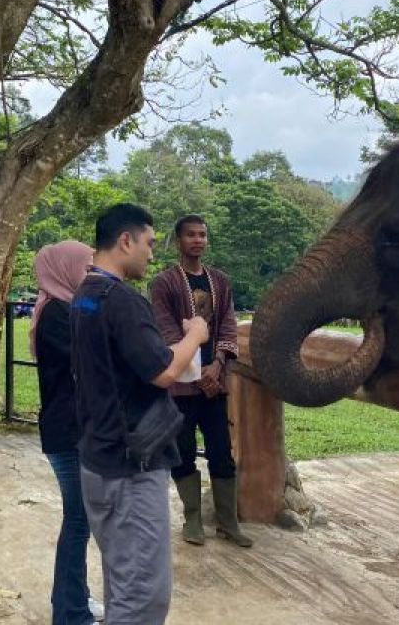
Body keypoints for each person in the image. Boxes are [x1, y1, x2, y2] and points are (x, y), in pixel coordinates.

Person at [72, 204, 209, 624]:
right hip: (131, 465)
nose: (153, 253)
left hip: (100, 457)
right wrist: (196, 335)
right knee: (144, 598)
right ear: (126, 241)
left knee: (122, 582)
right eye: (149, 244)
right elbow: (165, 370)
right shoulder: (122, 301)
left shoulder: (84, 296)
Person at [150, 215, 251, 548]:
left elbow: (227, 326)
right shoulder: (164, 283)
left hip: (215, 383)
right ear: (178, 241)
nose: (198, 240)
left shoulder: (220, 282)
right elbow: (166, 331)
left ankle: (227, 522)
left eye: (203, 235)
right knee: (184, 451)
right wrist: (195, 373)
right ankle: (192, 518)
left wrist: (217, 365)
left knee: (222, 452)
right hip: (180, 386)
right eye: (191, 235)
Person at [33, 241, 103, 625]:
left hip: (70, 428)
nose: (90, 273)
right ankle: (70, 612)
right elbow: (86, 364)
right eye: (86, 266)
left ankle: (78, 600)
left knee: (80, 519)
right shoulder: (58, 313)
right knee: (78, 520)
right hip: (68, 431)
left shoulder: (64, 307)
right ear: (64, 268)